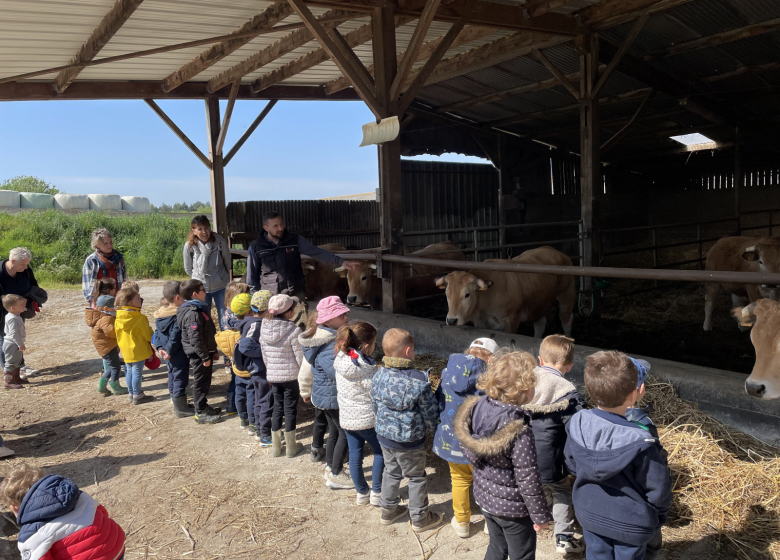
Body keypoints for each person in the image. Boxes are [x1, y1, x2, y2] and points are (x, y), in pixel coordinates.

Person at [565, 351, 672, 560]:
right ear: (637, 392)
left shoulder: (577, 423)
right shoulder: (641, 441)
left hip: (590, 514)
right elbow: (658, 489)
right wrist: (658, 516)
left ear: (588, 388)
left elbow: (571, 463)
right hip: (631, 522)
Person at [454, 351, 552, 560]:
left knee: (497, 547)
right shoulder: (519, 430)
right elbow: (528, 478)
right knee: (522, 555)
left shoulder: (477, 407)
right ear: (524, 390)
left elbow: (469, 446)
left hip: (486, 500)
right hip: (514, 510)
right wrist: (540, 516)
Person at [370, 328, 442, 532]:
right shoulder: (418, 381)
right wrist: (435, 431)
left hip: (384, 436)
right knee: (416, 477)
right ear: (408, 351)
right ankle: (419, 518)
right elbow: (430, 412)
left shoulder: (378, 373)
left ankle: (388, 511)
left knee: (391, 472)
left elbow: (374, 405)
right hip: (409, 440)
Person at [524, 335, 585, 555]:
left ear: (540, 360)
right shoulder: (568, 392)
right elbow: (576, 427)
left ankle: (541, 518)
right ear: (569, 366)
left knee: (536, 483)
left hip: (524, 452)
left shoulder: (526, 381)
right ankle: (564, 538)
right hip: (552, 455)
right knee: (561, 490)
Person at [433, 337, 498, 538]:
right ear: (492, 359)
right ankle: (491, 523)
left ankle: (462, 522)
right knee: (487, 482)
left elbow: (437, 400)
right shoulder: (491, 380)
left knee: (459, 480)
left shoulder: (447, 374)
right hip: (479, 443)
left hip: (452, 439)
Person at [245, 211, 359, 327]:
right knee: (272, 331)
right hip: (271, 299)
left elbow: (316, 252)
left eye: (281, 224)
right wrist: (256, 304)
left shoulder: (293, 240)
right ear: (266, 228)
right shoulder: (256, 247)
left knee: (300, 330)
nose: (280, 228)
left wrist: (341, 261)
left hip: (295, 296)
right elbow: (251, 278)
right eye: (275, 226)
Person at [0, 464, 125, 560]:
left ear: (14, 508)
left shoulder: (30, 535)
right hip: (116, 545)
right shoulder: (76, 496)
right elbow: (102, 511)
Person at [300, 296, 352, 489]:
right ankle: (337, 472)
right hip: (333, 396)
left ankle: (331, 468)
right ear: (328, 321)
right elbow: (335, 371)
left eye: (345, 312)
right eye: (341, 315)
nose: (346, 316)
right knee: (345, 433)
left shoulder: (322, 337)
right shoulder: (329, 342)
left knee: (335, 432)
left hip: (326, 395)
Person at [334, 321, 383, 506]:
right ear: (366, 345)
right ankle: (377, 492)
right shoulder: (365, 367)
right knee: (380, 453)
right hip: (367, 420)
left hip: (347, 418)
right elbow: (374, 390)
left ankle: (362, 492)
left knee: (355, 454)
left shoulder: (340, 359)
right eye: (374, 344)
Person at [625, 357, 665, 560]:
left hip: (599, 511)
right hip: (638, 510)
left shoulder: (588, 420)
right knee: (650, 546)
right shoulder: (643, 427)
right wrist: (661, 511)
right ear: (640, 390)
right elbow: (656, 472)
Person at [260, 294, 305, 457]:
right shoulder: (294, 330)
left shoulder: (264, 327)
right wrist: (304, 377)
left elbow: (264, 354)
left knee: (277, 408)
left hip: (273, 376)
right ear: (289, 312)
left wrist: (270, 370)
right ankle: (291, 446)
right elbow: (300, 356)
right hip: (291, 377)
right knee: (290, 409)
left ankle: (276, 447)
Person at [178, 279, 221, 425]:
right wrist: (204, 356)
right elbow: (195, 338)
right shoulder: (193, 313)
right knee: (200, 382)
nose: (206, 292)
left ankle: (203, 405)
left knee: (205, 380)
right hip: (199, 354)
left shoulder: (199, 309)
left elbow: (206, 333)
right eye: (203, 290)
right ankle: (200, 412)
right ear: (195, 294)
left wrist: (213, 350)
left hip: (204, 352)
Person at [1, 247, 44, 379]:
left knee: (17, 337)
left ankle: (20, 367)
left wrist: (28, 302)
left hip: (18, 311)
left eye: (27, 264)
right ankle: (10, 371)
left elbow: (33, 286)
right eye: (23, 264)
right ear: (12, 261)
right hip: (2, 312)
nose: (26, 267)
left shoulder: (25, 271)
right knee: (5, 339)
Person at [182, 215, 231, 330]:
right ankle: (208, 341)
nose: (204, 232)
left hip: (220, 285)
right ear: (194, 231)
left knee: (224, 315)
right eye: (200, 229)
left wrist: (220, 276)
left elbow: (227, 263)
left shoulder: (219, 242)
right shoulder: (189, 246)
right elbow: (188, 268)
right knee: (203, 315)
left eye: (207, 228)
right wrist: (198, 280)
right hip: (200, 287)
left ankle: (225, 340)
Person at [154, 281, 193, 418]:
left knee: (172, 375)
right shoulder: (177, 316)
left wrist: (160, 348)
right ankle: (180, 408)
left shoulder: (160, 315)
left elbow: (157, 334)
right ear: (177, 298)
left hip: (166, 353)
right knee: (180, 378)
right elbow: (175, 337)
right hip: (176, 353)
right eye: (184, 297)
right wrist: (170, 351)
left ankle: (177, 401)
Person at [215, 293, 252, 428]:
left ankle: (240, 416)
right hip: (250, 371)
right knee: (251, 396)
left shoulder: (227, 334)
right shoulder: (246, 332)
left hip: (236, 368)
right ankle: (252, 423)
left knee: (238, 392)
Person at [299, 310, 329, 464]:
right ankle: (334, 452)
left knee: (319, 420)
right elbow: (305, 372)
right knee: (333, 424)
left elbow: (304, 374)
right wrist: (304, 392)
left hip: (318, 393)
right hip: (330, 393)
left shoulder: (310, 346)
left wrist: (305, 392)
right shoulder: (327, 344)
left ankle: (316, 449)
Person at [115, 287, 154, 405]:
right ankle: (138, 394)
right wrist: (154, 337)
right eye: (138, 298)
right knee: (137, 371)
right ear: (130, 302)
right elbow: (147, 334)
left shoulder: (118, 317)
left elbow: (117, 334)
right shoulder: (140, 318)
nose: (140, 299)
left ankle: (131, 393)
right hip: (138, 349)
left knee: (129, 371)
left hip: (125, 349)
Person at [85, 294, 129, 397]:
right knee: (116, 367)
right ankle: (115, 386)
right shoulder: (106, 318)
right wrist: (120, 331)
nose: (116, 309)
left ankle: (102, 386)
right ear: (106, 308)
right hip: (107, 347)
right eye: (114, 306)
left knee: (113, 366)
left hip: (105, 346)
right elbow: (110, 332)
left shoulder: (103, 316)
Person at [221, 281, 252, 416]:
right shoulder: (238, 313)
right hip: (239, 351)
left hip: (230, 350)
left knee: (235, 378)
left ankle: (231, 404)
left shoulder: (226, 312)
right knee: (238, 379)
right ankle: (234, 405)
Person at [82, 228, 126, 306]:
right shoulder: (91, 260)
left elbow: (124, 278)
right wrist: (92, 301)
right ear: (97, 245)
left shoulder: (118, 258)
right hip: (99, 301)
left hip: (117, 298)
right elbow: (87, 284)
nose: (110, 245)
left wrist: (124, 295)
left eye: (111, 242)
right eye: (105, 243)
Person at [2, 294, 27, 389]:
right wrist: (20, 344)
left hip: (15, 343)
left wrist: (23, 304)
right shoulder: (12, 318)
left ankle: (16, 378)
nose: (24, 305)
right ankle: (9, 381)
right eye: (22, 304)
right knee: (11, 362)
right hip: (12, 344)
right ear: (13, 308)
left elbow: (23, 308)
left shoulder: (15, 315)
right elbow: (13, 333)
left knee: (17, 361)